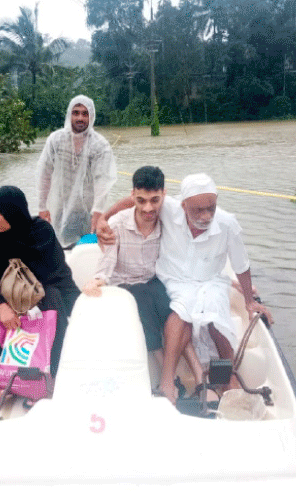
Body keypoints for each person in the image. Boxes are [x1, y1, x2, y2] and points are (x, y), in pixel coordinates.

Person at [98, 173, 274, 403]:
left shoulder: (227, 223)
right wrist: (103, 218)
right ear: (183, 205)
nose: (206, 216)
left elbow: (241, 264)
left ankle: (228, 375)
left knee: (214, 310)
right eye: (198, 210)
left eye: (211, 208)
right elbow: (133, 200)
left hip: (210, 280)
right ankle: (168, 378)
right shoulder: (169, 208)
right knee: (181, 310)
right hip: (174, 278)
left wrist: (249, 300)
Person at [0, 186, 81, 398]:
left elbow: (59, 275)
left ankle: (51, 379)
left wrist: (80, 308)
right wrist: (1, 306)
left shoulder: (41, 232)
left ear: (14, 212)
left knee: (54, 298)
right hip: (3, 298)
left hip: (38, 296)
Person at [82, 166, 174, 368]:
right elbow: (108, 260)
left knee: (174, 306)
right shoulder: (116, 224)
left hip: (153, 280)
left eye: (154, 200)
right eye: (141, 200)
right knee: (141, 295)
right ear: (132, 195)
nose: (148, 208)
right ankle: (166, 367)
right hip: (124, 284)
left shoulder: (169, 220)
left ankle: (188, 364)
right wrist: (98, 280)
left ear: (163, 195)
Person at [36, 95, 117, 246]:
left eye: (85, 113)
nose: (80, 117)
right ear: (69, 114)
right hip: (60, 209)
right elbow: (44, 174)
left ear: (91, 117)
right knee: (59, 250)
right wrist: (42, 207)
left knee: (88, 251)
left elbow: (102, 181)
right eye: (76, 112)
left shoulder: (100, 145)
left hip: (89, 212)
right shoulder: (56, 140)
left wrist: (98, 212)